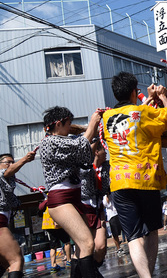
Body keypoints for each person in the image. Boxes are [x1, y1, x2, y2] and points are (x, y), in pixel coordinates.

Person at [102, 72, 167, 278]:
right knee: (151, 231)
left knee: (133, 236)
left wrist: (150, 99)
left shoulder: (106, 117)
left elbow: (133, 114)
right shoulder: (143, 112)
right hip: (145, 179)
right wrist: (162, 98)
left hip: (119, 182)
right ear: (135, 91)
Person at [39, 106, 102, 278]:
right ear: (59, 124)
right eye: (69, 124)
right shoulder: (50, 142)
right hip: (61, 200)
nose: (70, 128)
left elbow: (84, 153)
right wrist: (93, 122)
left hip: (73, 198)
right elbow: (79, 145)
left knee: (82, 247)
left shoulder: (63, 140)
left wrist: (96, 132)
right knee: (87, 243)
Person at [0, 151, 36, 278]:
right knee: (16, 260)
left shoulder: (9, 180)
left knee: (4, 264)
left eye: (12, 162)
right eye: (7, 162)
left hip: (4, 218)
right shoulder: (2, 174)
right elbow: (6, 172)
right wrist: (25, 159)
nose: (11, 164)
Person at [79, 143, 110, 274]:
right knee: (86, 246)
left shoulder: (107, 166)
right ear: (96, 152)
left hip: (98, 207)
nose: (106, 151)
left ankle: (93, 269)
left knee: (101, 246)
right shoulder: (85, 167)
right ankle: (88, 273)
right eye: (103, 149)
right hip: (83, 208)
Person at [41, 208, 72, 274]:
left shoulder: (44, 203)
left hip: (48, 226)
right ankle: (69, 261)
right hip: (57, 225)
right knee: (66, 242)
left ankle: (53, 265)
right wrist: (56, 221)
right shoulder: (53, 200)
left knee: (53, 246)